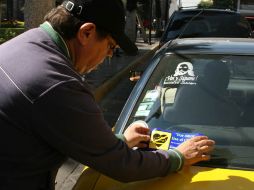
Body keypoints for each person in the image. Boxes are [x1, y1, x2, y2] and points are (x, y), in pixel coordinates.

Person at [0, 0, 215, 189]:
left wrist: (119, 141)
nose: (109, 56)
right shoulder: (57, 83)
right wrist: (178, 157)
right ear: (86, 32)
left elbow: (64, 131)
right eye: (110, 46)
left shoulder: (26, 43)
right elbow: (121, 165)